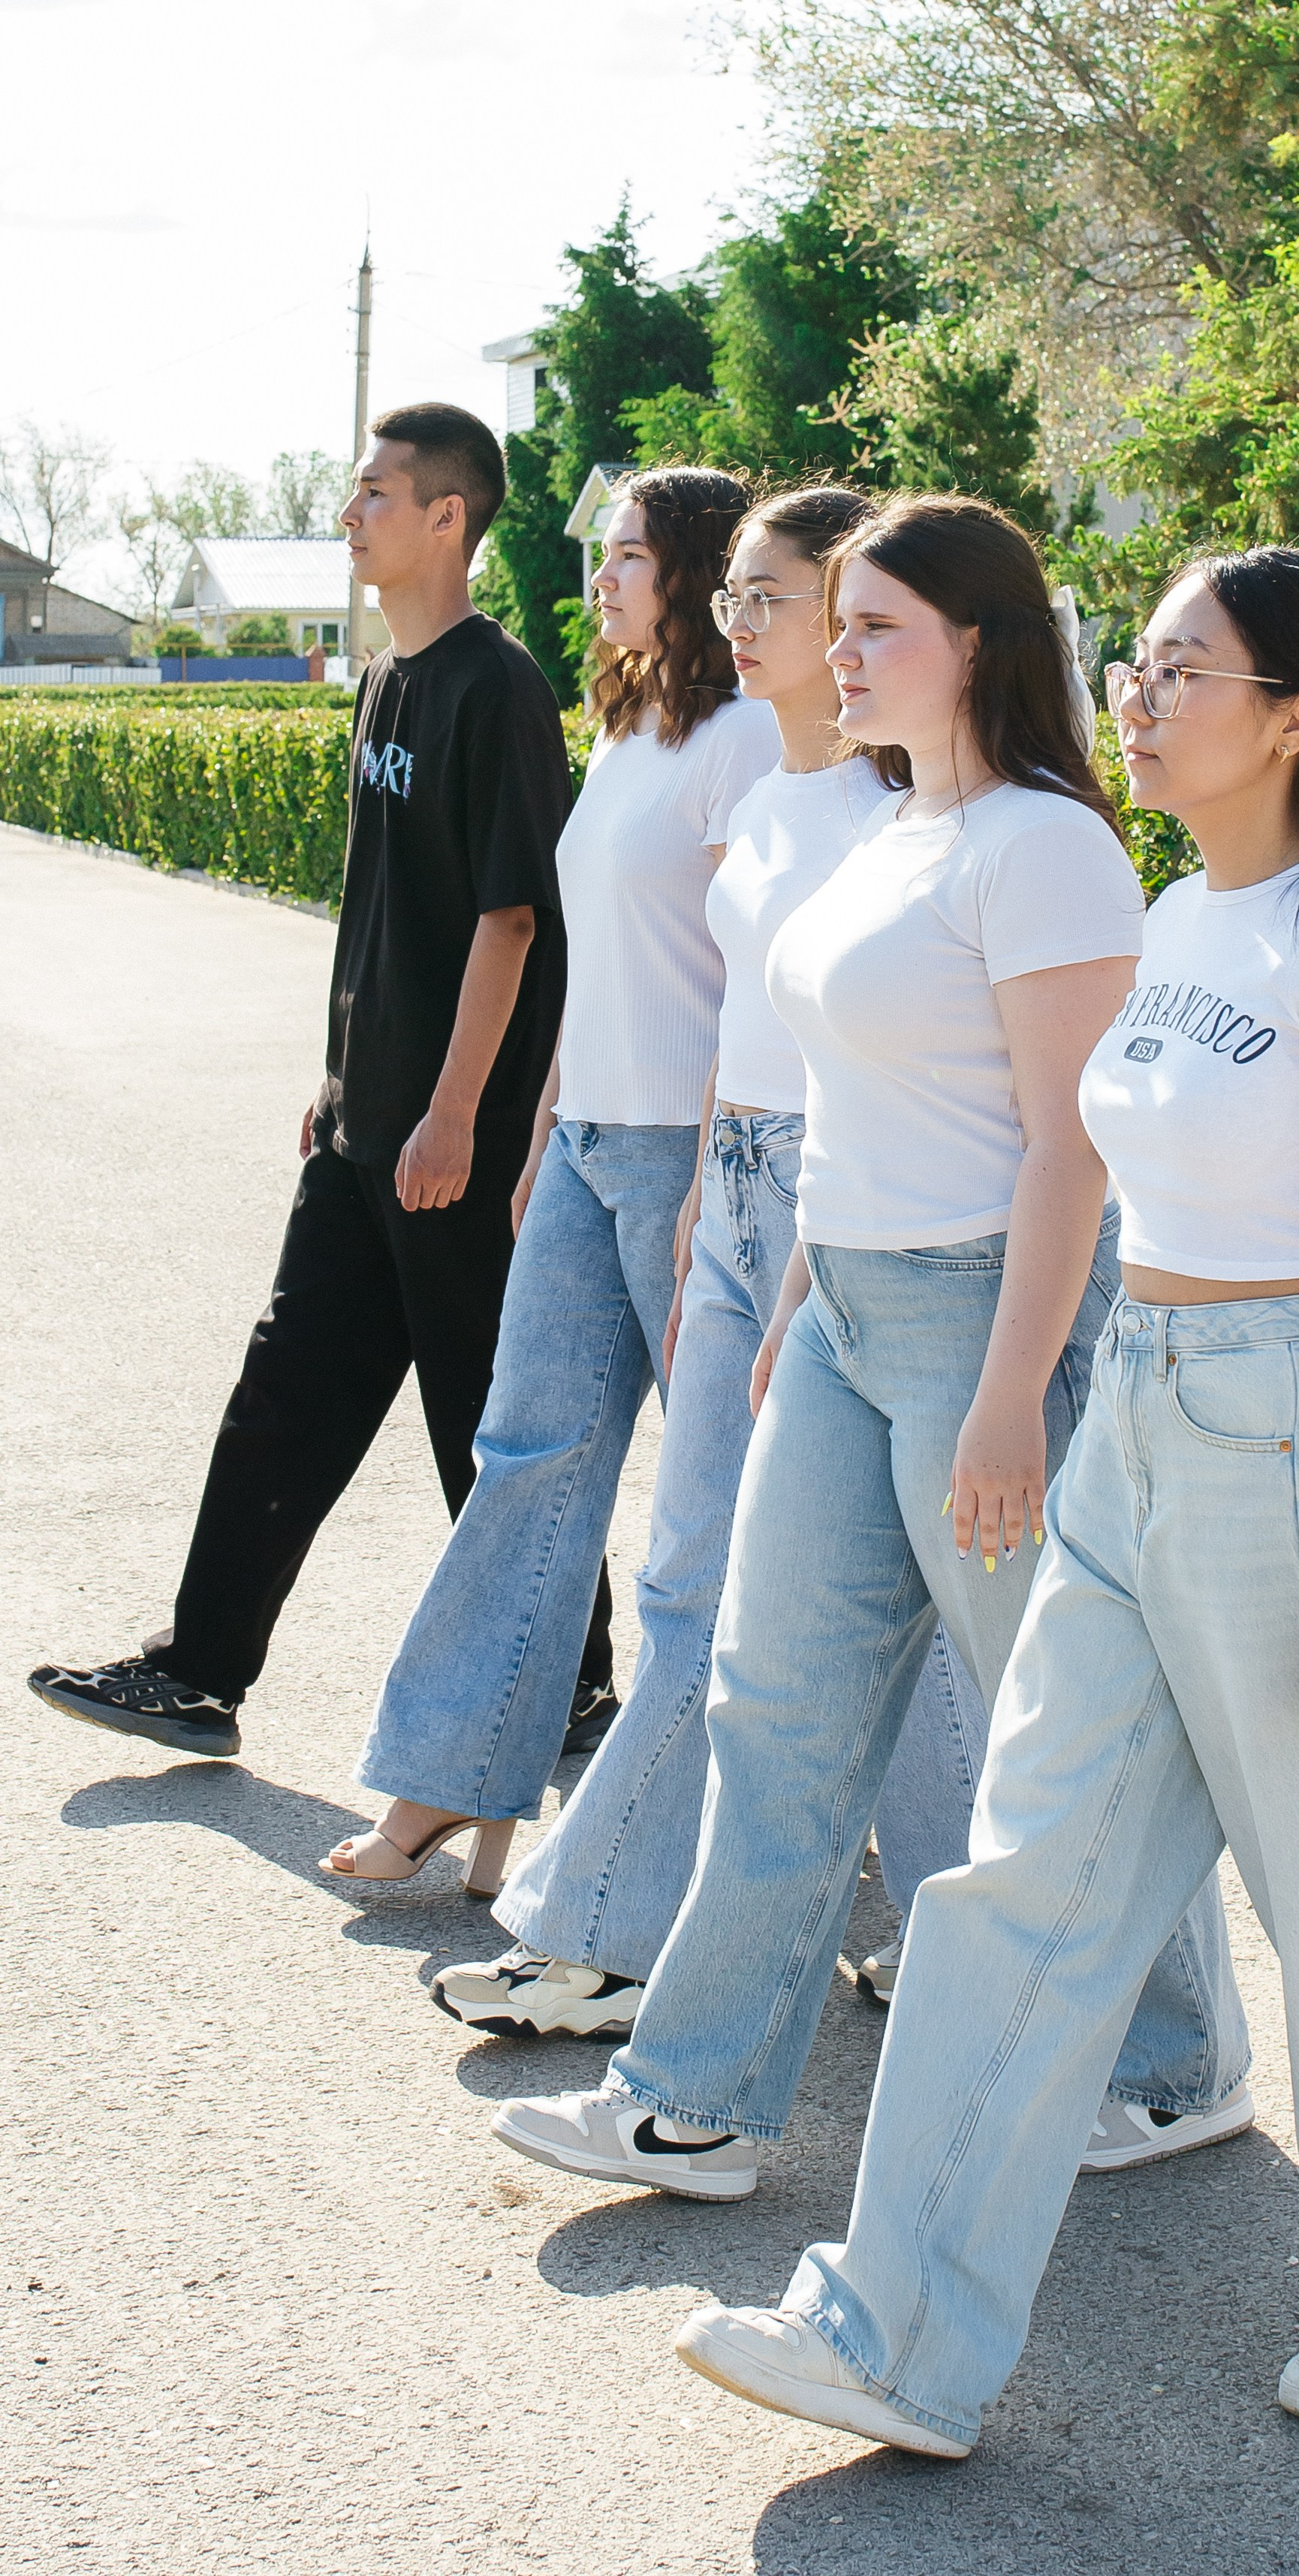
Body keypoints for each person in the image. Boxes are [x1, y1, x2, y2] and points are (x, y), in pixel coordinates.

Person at [673, 546, 1299, 2450]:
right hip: (1139, 1427)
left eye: (1186, 674)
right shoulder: (1172, 923)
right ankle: (888, 2332)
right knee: (1013, 1884)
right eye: (1137, 666)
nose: (1139, 700)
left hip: (1287, 1431)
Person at [487, 494, 1249, 2198]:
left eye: (874, 627)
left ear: (976, 643)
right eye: (838, 627)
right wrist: (804, 1308)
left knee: (1053, 1715)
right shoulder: (888, 826)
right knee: (774, 1708)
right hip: (845, 1313)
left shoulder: (1046, 844)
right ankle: (694, 2097)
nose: (839, 652)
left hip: (991, 1323)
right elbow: (834, 1084)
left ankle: (1180, 2058)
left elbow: (1071, 1147)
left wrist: (1003, 1403)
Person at [431, 486, 1039, 2043]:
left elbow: (910, 1054)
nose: (750, 626)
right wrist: (710, 1175)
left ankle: (638, 1923)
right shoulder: (772, 803)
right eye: (758, 602)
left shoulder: (898, 814)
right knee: (723, 1579)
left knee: (834, 1598)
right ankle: (639, 1927)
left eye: (788, 601)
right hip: (743, 1191)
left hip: (847, 1214)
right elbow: (746, 1021)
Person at [29, 402, 587, 1782]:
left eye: (375, 493)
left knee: (485, 1420)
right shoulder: (385, 679)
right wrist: (346, 1081)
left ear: (448, 516)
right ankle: (198, 1670)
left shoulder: (495, 688)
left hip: (454, 1138)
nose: (352, 515)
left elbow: (511, 918)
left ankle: (571, 1689)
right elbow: (381, 910)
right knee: (286, 1391)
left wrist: (458, 1111)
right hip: (363, 1129)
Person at [321, 468, 779, 1888]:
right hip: (588, 1144)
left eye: (633, 554)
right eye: (606, 551)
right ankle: (452, 1782)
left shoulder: (750, 740)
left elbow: (752, 979)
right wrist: (545, 1121)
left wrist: (710, 1162)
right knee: (527, 1461)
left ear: (698, 572)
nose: (605, 573)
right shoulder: (635, 722)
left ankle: (782, 1829)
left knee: (741, 1506)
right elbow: (603, 957)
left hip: (693, 1161)